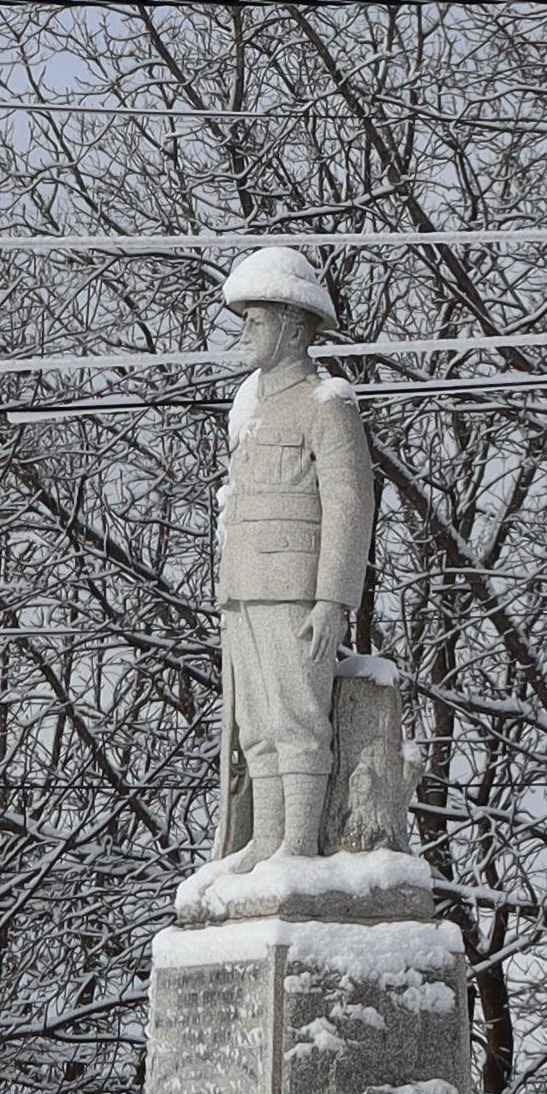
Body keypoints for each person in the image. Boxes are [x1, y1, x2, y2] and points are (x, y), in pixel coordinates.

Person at [212, 243, 377, 864]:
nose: (245, 334)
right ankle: (268, 840)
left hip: (295, 587)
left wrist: (333, 598)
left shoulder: (324, 403)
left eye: (256, 321)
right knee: (255, 725)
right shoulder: (249, 409)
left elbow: (350, 503)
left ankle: (299, 845)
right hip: (243, 588)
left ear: (294, 327)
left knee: (298, 719)